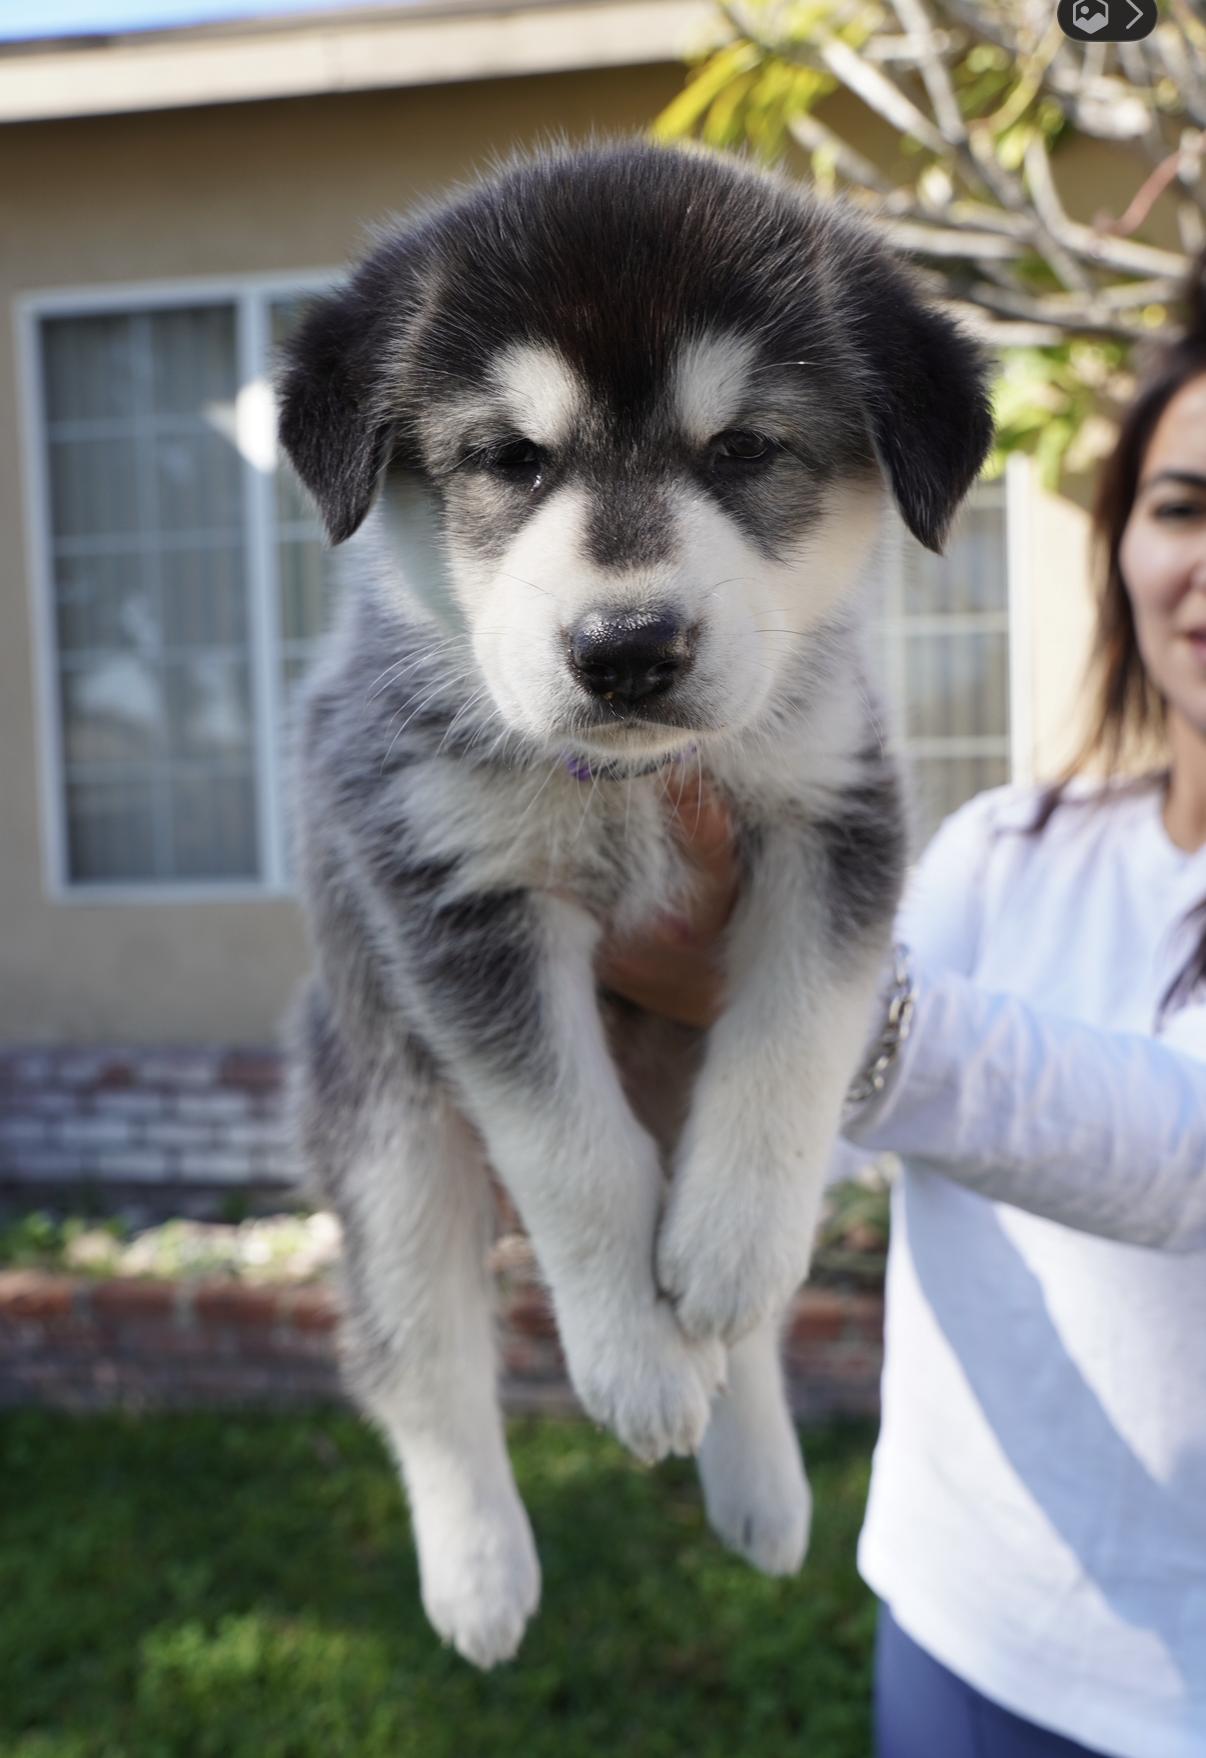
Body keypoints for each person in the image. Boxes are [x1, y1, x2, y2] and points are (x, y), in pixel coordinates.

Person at [594, 262, 1206, 1758]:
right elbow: (822, 1146)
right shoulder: (1008, 848)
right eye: (1183, 505)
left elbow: (1176, 1149)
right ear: (1120, 537)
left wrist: (814, 1014)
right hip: (958, 1612)